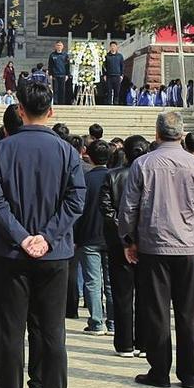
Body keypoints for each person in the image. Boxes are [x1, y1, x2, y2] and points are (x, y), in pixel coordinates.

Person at [0, 80, 86, 388]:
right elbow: (76, 201)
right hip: (54, 255)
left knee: (13, 332)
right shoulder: (68, 152)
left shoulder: (2, 150)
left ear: (20, 110)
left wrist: (23, 237)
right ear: (51, 111)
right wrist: (47, 236)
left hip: (13, 254)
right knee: (52, 333)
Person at [117, 110, 194, 388]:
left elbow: (129, 207)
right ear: (182, 135)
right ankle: (189, 373)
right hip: (187, 246)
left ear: (157, 134)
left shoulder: (143, 164)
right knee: (187, 311)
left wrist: (129, 239)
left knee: (156, 310)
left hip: (154, 245)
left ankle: (159, 370)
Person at [102, 135, 149, 358]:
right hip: (147, 242)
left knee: (122, 294)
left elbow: (108, 212)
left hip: (120, 243)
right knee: (145, 294)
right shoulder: (152, 175)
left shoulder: (112, 176)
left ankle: (124, 344)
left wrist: (124, 237)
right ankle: (144, 342)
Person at [75, 140, 114, 335]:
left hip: (88, 235)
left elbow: (77, 209)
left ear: (87, 155)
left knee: (92, 281)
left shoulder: (84, 179)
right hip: (111, 237)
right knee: (110, 281)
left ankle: (96, 322)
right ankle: (114, 322)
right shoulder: (115, 177)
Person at [47, 41, 70, 108]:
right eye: (58, 45)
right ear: (55, 46)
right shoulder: (52, 55)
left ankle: (62, 103)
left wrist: (67, 74)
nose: (59, 46)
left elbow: (67, 66)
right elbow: (50, 65)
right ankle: (56, 102)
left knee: (62, 90)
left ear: (62, 47)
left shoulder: (65, 55)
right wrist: (50, 74)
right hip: (55, 75)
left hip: (63, 74)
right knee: (55, 89)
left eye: (60, 45)